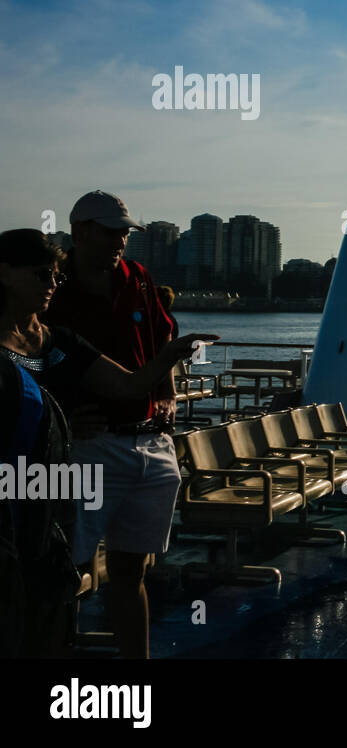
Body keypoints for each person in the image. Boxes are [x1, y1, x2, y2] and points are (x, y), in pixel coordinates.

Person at [1, 228, 215, 657]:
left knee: (48, 595)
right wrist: (60, 420)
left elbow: (130, 386)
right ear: (4, 273)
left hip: (47, 496)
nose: (51, 286)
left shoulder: (58, 342)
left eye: (57, 277)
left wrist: (169, 355)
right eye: (41, 275)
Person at [40, 192, 194, 659]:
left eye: (124, 231)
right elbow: (28, 355)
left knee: (131, 571)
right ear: (80, 230)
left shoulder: (138, 279)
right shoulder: (52, 288)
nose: (121, 240)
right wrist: (60, 413)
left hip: (147, 441)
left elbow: (160, 337)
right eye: (111, 231)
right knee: (65, 567)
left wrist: (166, 392)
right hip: (88, 446)